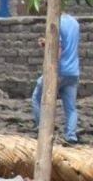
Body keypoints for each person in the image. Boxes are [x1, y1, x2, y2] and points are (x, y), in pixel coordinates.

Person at [33, 13, 81, 144]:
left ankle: (41, 128)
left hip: (59, 70)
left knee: (37, 97)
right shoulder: (74, 23)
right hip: (73, 71)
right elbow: (68, 45)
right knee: (70, 107)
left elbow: (58, 50)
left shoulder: (56, 23)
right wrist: (47, 43)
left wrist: (50, 68)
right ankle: (71, 136)